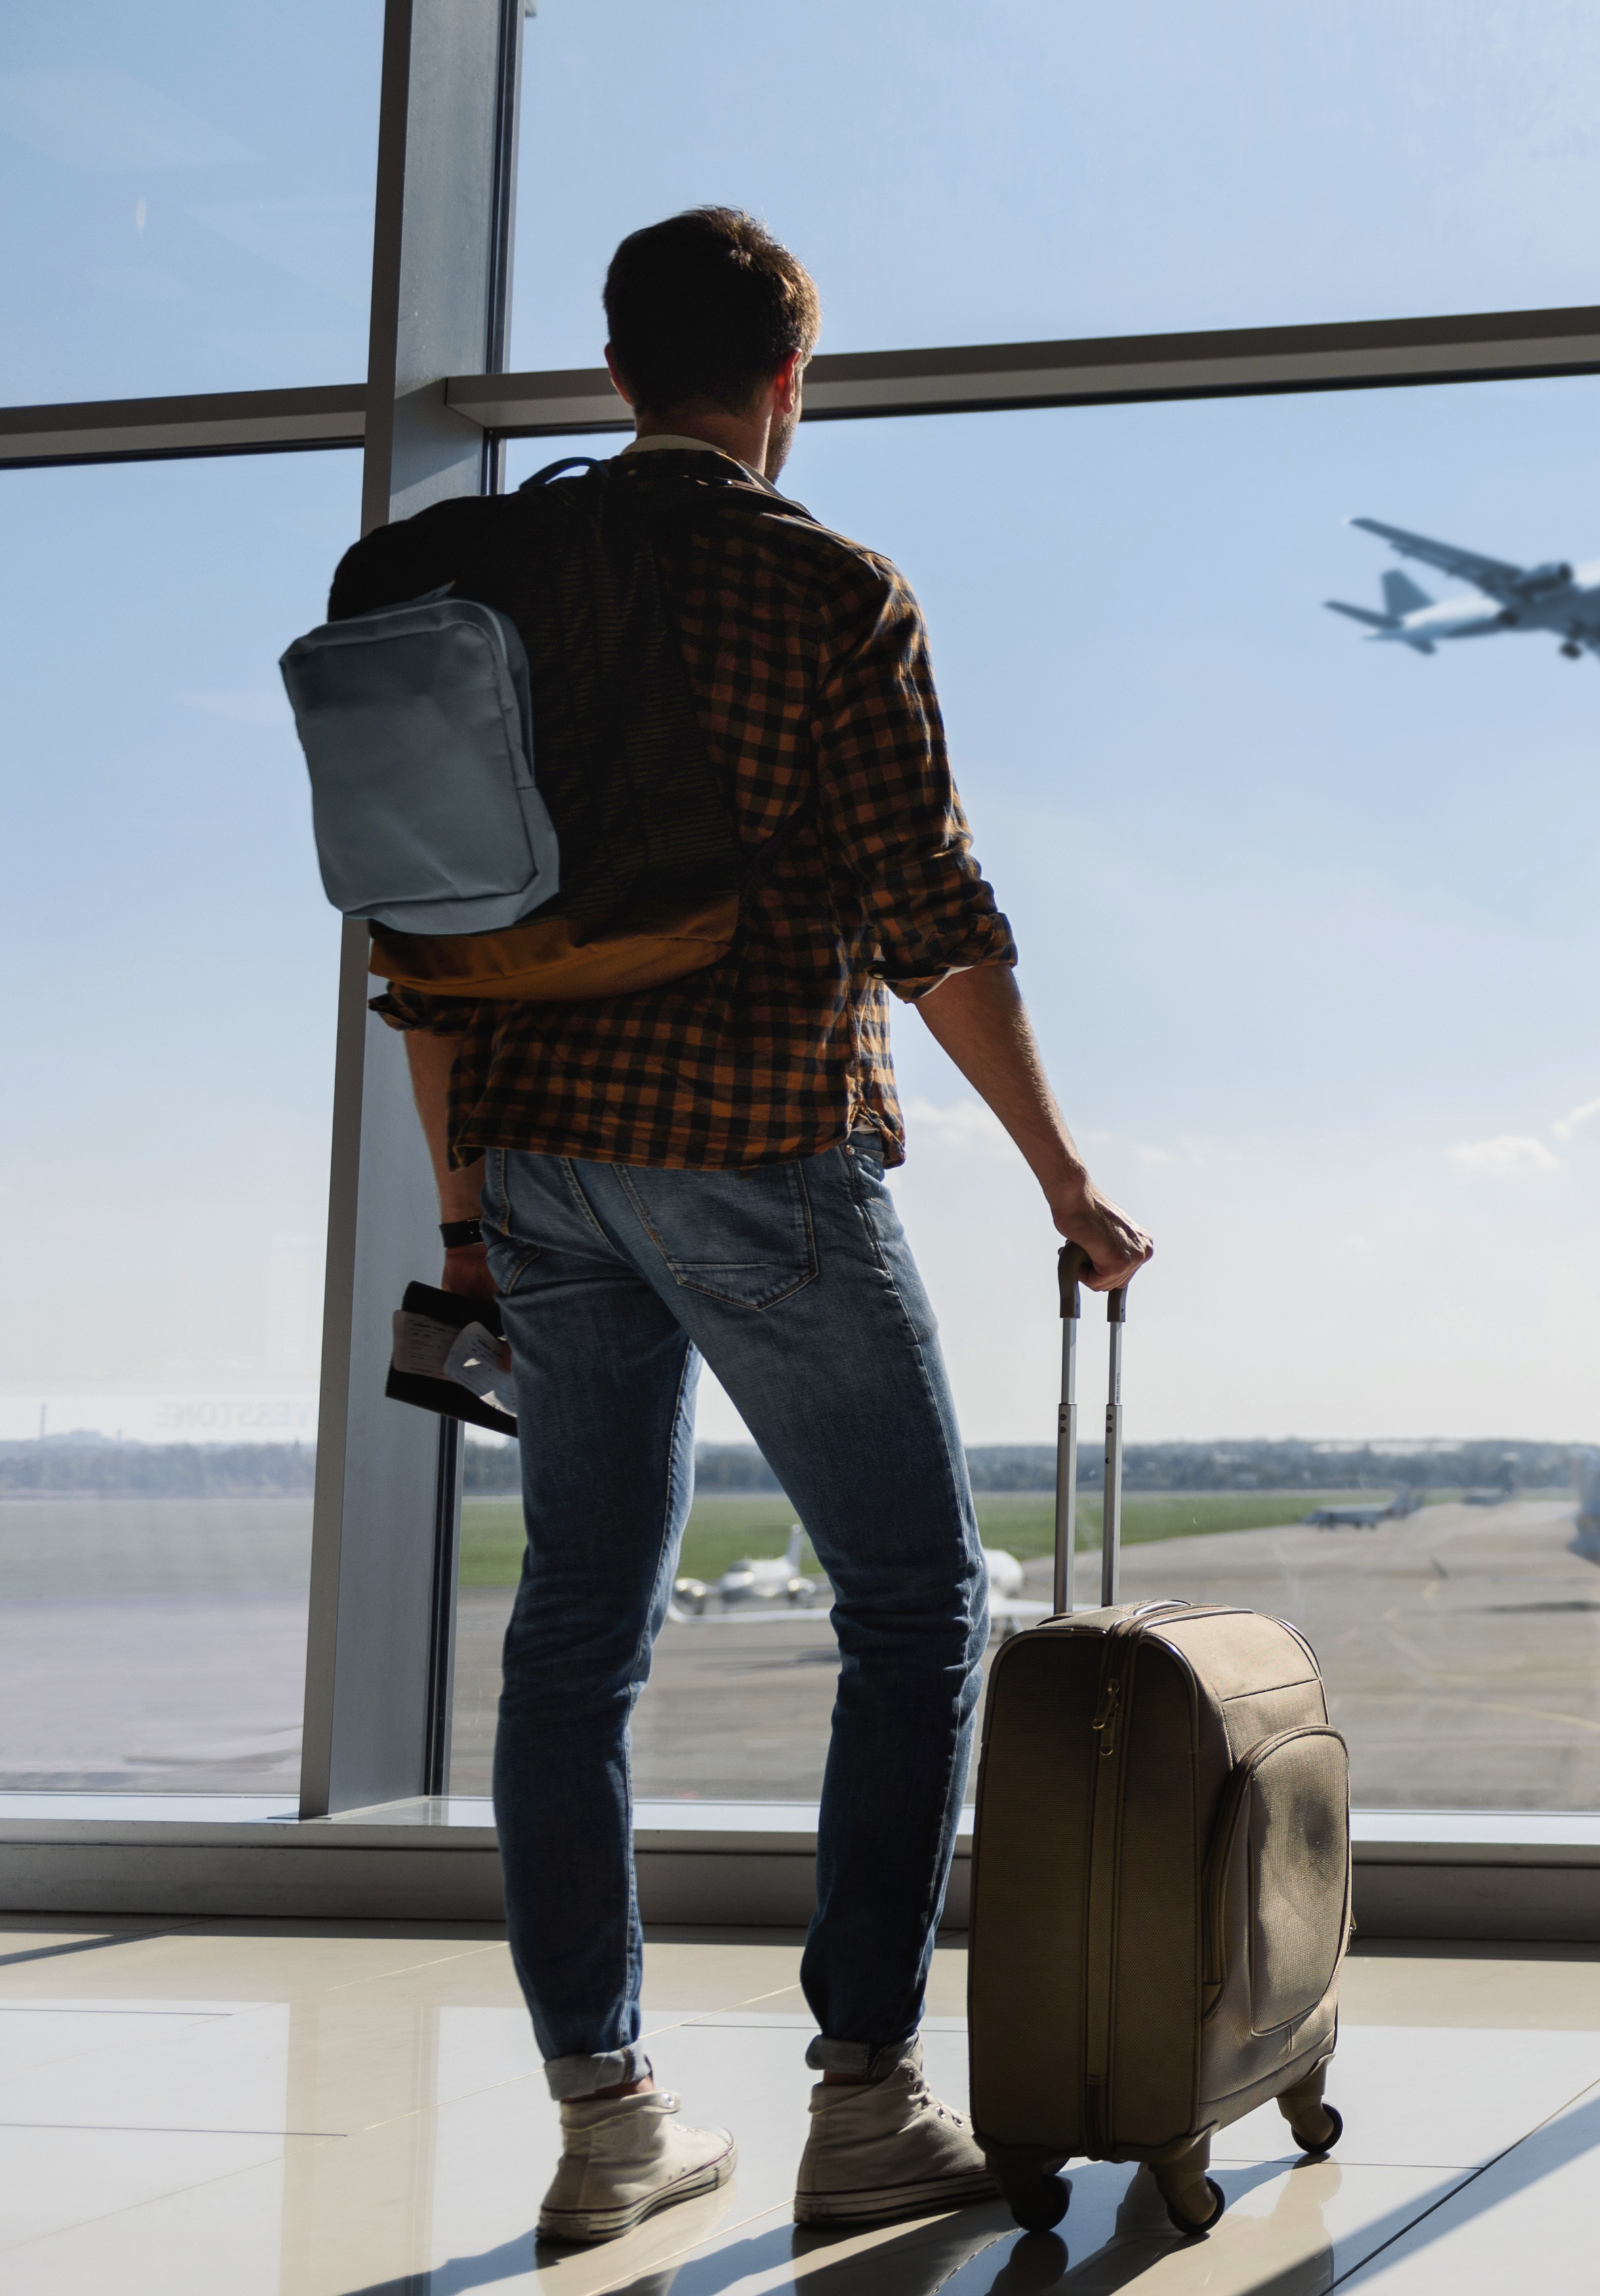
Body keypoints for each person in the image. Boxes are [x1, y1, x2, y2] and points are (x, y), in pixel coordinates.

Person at [369, 207, 1151, 2244]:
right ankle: (868, 2096)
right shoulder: (827, 588)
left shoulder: (476, 583)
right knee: (914, 1603)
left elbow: (422, 950)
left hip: (533, 1163)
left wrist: (467, 1216)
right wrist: (1065, 1176)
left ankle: (606, 2120)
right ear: (788, 383)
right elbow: (935, 923)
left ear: (618, 369)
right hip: (750, 1143)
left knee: (578, 1632)